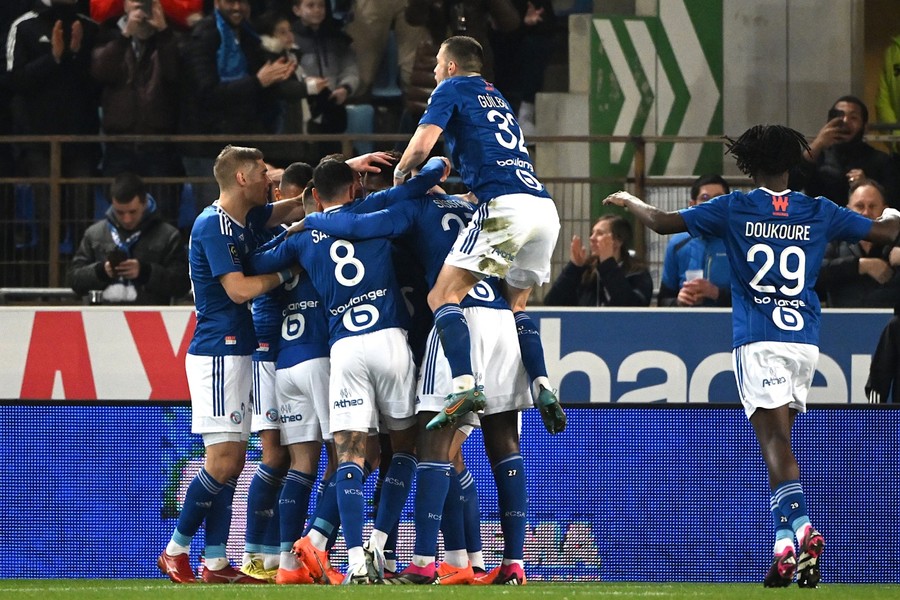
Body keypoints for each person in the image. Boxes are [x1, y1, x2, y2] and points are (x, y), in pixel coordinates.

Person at [603, 124, 900, 588]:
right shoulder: (818, 209)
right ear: (791, 162)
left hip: (759, 339)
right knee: (779, 443)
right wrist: (893, 210)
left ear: (749, 165)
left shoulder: (734, 206)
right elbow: (887, 230)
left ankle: (803, 528)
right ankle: (783, 548)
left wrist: (629, 200)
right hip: (804, 340)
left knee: (774, 442)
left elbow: (661, 222)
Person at [248, 158, 450, 583]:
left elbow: (255, 261)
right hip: (390, 340)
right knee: (405, 449)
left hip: (344, 350)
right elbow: (421, 184)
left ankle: (355, 560)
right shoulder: (372, 210)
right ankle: (380, 542)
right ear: (355, 189)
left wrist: (295, 226)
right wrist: (437, 163)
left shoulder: (305, 236)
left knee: (350, 456)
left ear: (314, 196)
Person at [392, 35, 561, 431]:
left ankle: (464, 385)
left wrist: (400, 177)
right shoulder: (497, 97)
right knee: (517, 306)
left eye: (438, 63)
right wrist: (456, 194)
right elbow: (496, 168)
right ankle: (542, 384)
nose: (435, 71)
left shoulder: (450, 88)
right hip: (543, 208)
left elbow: (420, 147)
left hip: (506, 209)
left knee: (441, 295)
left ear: (451, 66)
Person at [157, 145, 302, 585]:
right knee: (221, 462)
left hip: (237, 352)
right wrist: (284, 274)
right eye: (262, 173)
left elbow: (295, 206)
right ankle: (175, 551)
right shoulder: (212, 224)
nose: (269, 180)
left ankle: (216, 561)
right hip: (218, 352)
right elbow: (238, 290)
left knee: (233, 463)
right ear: (241, 178)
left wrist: (348, 170)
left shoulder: (244, 220)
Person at [6, 0, 101, 267]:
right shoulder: (24, 25)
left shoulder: (90, 27)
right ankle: (48, 279)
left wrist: (76, 55)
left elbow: (99, 84)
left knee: (82, 215)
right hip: (39, 142)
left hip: (81, 140)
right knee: (47, 215)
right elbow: (14, 80)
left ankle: (83, 277)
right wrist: (53, 58)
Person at [179, 0, 297, 211]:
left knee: (247, 213)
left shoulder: (248, 35)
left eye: (241, 1)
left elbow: (261, 88)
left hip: (241, 140)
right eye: (230, 1)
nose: (237, 7)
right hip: (206, 144)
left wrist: (278, 78)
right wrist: (258, 82)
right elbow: (205, 92)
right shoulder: (202, 36)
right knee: (216, 212)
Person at [91, 0, 185, 224]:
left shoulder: (172, 36)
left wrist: (163, 32)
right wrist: (124, 36)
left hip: (160, 145)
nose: (142, 10)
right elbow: (101, 72)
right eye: (136, 3)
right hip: (119, 145)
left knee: (163, 215)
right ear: (124, 5)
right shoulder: (107, 34)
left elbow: (175, 75)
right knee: (121, 217)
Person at [69, 171, 189, 304]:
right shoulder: (94, 234)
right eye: (120, 212)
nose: (127, 219)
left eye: (133, 212)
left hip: (149, 315)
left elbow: (182, 284)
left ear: (144, 203)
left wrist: (145, 272)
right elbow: (74, 280)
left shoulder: (168, 236)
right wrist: (101, 272)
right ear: (112, 203)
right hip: (103, 315)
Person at [789, 95, 899, 208]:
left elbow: (894, 203)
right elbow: (789, 186)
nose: (845, 121)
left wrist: (868, 186)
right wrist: (817, 144)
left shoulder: (880, 160)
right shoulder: (818, 155)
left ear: (865, 127)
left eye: (853, 118)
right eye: (839, 116)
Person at [816, 179, 900, 307]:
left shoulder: (896, 240)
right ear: (848, 210)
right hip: (841, 318)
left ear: (885, 211)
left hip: (890, 317)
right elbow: (814, 270)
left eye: (872, 206)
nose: (866, 213)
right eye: (860, 206)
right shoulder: (834, 239)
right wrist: (860, 265)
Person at [291, 0, 359, 157]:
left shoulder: (338, 38)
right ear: (297, 10)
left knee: (331, 155)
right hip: (303, 107)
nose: (317, 10)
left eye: (321, 6)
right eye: (310, 5)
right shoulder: (291, 38)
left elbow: (350, 68)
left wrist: (345, 88)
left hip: (333, 104)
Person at [542, 214, 652, 307]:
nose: (592, 238)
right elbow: (552, 304)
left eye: (600, 233)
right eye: (592, 233)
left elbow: (632, 307)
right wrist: (574, 267)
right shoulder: (586, 271)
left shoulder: (637, 272)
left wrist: (608, 263)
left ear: (618, 241)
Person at [657, 174, 732, 307]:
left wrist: (717, 293)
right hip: (688, 319)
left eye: (719, 198)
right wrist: (678, 302)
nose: (712, 205)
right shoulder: (678, 244)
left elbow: (760, 300)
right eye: (705, 198)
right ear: (692, 205)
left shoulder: (743, 244)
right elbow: (663, 300)